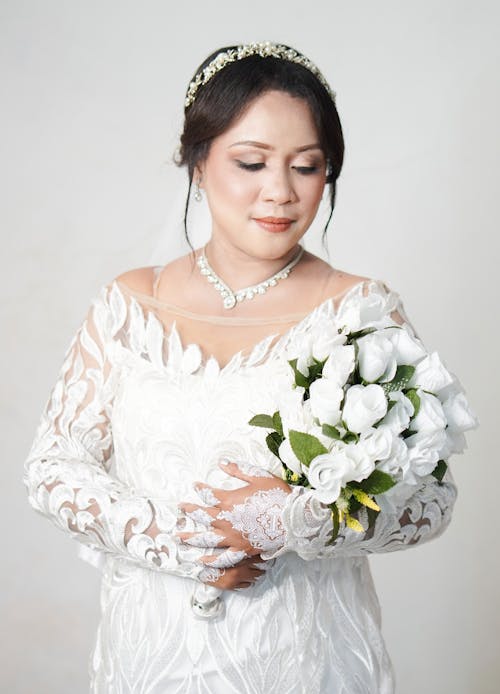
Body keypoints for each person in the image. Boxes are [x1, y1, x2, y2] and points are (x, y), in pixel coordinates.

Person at [23, 41, 477, 693]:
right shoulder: (127, 303)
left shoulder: (362, 314)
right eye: (252, 162)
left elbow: (433, 500)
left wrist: (294, 516)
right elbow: (52, 467)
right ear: (198, 161)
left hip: (306, 660)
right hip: (151, 657)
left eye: (307, 166)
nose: (281, 193)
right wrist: (184, 540)